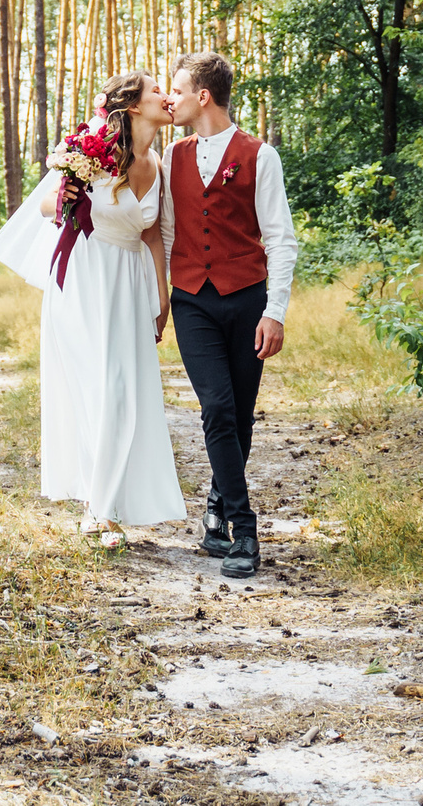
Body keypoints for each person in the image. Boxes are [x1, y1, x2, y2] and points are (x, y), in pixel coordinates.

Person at [0, 70, 188, 544]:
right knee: (92, 391)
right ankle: (98, 511)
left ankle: (105, 505)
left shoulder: (157, 164)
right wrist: (66, 195)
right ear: (134, 106)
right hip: (83, 279)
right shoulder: (95, 147)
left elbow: (150, 234)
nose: (165, 97)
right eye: (156, 90)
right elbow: (44, 207)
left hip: (129, 282)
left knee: (123, 393)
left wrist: (162, 296)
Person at [159, 50, 298, 579]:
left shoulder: (260, 156)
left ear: (203, 95)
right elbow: (168, 233)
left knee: (239, 416)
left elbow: (281, 242)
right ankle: (244, 531)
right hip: (192, 298)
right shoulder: (172, 157)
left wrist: (275, 312)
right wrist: (163, 300)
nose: (169, 97)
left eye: (177, 88)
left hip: (247, 299)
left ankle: (218, 503)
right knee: (216, 408)